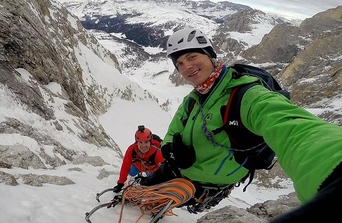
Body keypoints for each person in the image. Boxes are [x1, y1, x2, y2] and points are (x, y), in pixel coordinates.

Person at [142, 27, 342, 219]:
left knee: (150, 204)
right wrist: (168, 147)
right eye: (180, 64)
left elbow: (293, 127)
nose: (187, 68)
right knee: (142, 191)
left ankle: (203, 200)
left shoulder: (246, 95)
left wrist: (334, 170)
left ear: (210, 55)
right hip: (176, 168)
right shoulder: (193, 98)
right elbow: (176, 126)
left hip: (204, 183)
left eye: (192, 57)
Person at [112, 125, 165, 193]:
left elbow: (164, 169)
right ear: (136, 142)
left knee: (150, 179)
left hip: (152, 169)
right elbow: (125, 165)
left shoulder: (157, 152)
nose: (143, 146)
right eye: (140, 142)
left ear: (150, 141)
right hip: (139, 166)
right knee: (131, 172)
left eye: (146, 142)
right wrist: (120, 183)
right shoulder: (132, 149)